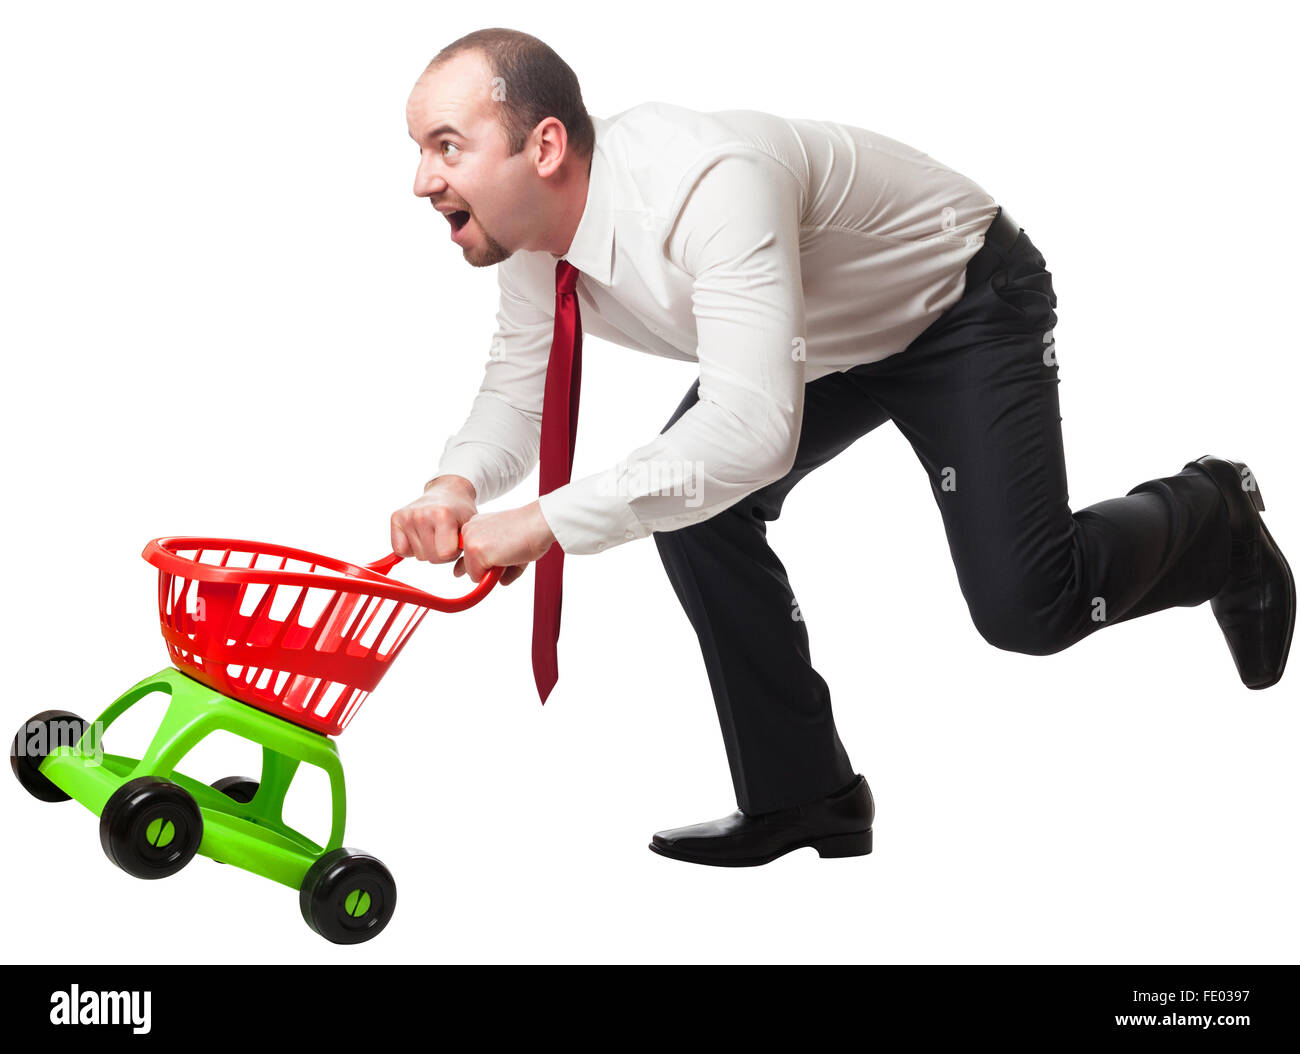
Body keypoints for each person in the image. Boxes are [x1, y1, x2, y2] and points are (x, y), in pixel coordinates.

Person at [389, 27, 1295, 867]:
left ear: (542, 147)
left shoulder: (708, 181)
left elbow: (748, 430)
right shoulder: (528, 244)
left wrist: (547, 522)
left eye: (446, 145)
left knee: (1028, 610)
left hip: (958, 304)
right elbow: (519, 388)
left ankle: (1214, 520)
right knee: (695, 510)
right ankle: (805, 796)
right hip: (815, 336)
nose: (423, 180)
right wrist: (455, 485)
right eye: (420, 151)